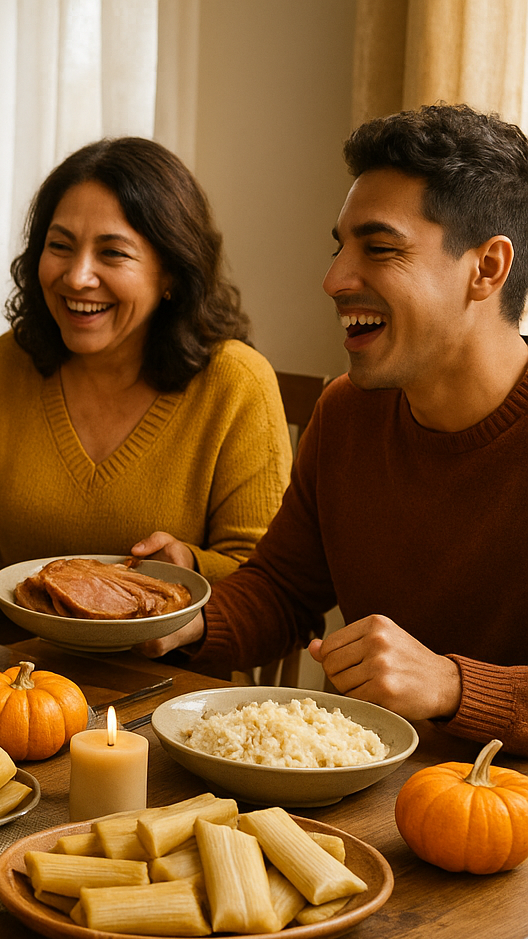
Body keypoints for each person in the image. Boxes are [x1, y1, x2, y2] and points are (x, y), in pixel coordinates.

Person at [141, 104, 528, 754]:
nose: (333, 280)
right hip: (374, 796)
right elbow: (285, 591)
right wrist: (183, 621)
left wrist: (451, 685)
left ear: (486, 268)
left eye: (379, 249)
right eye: (338, 247)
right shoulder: (346, 412)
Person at [0, 137, 291, 587]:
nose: (78, 277)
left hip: (167, 659)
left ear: (172, 274)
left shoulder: (237, 383)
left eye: (113, 253)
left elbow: (269, 582)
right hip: (15, 657)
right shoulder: (6, 364)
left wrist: (191, 565)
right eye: (59, 246)